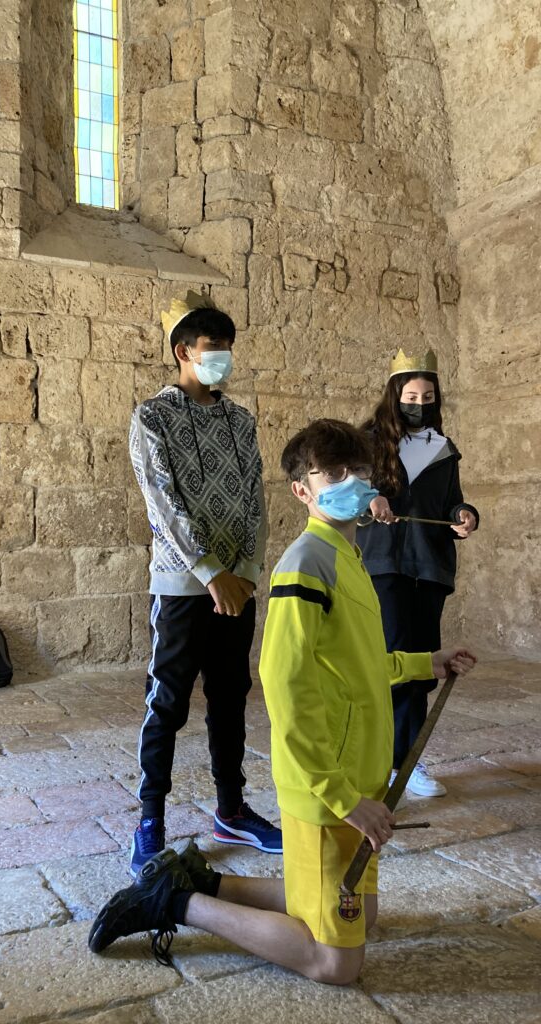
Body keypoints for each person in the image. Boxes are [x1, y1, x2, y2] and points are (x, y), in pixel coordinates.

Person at [89, 418, 476, 984]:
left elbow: (356, 664)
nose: (352, 482)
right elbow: (285, 684)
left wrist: (426, 663)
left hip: (357, 774)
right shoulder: (305, 563)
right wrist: (341, 798)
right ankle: (174, 902)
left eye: (360, 471)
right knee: (336, 963)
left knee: (362, 914)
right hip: (327, 787)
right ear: (302, 491)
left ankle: (203, 881)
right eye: (333, 474)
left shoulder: (347, 555)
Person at [126, 290, 281, 877]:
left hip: (237, 585)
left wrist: (245, 572)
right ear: (183, 351)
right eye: (213, 346)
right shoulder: (152, 416)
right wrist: (210, 572)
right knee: (166, 702)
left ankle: (232, 810)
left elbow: (256, 499)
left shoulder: (241, 421)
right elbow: (162, 502)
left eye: (228, 347)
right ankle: (150, 822)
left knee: (230, 695)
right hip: (182, 585)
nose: (223, 357)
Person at [357, 349, 479, 799]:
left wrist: (464, 514)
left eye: (427, 397)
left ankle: (405, 762)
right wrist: (370, 497)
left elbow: (451, 501)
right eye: (411, 397)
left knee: (422, 665)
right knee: (392, 661)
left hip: (428, 566)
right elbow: (347, 490)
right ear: (395, 396)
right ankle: (381, 760)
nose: (419, 404)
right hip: (383, 564)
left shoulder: (443, 449)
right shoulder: (367, 442)